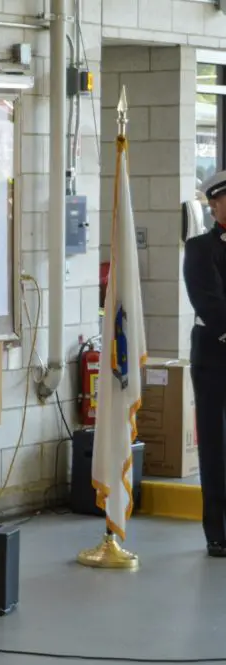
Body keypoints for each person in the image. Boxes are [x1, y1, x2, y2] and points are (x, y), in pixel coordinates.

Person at [183, 169, 226, 558]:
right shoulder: (200, 248)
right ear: (214, 205)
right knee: (217, 444)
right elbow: (210, 303)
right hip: (216, 354)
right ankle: (219, 533)